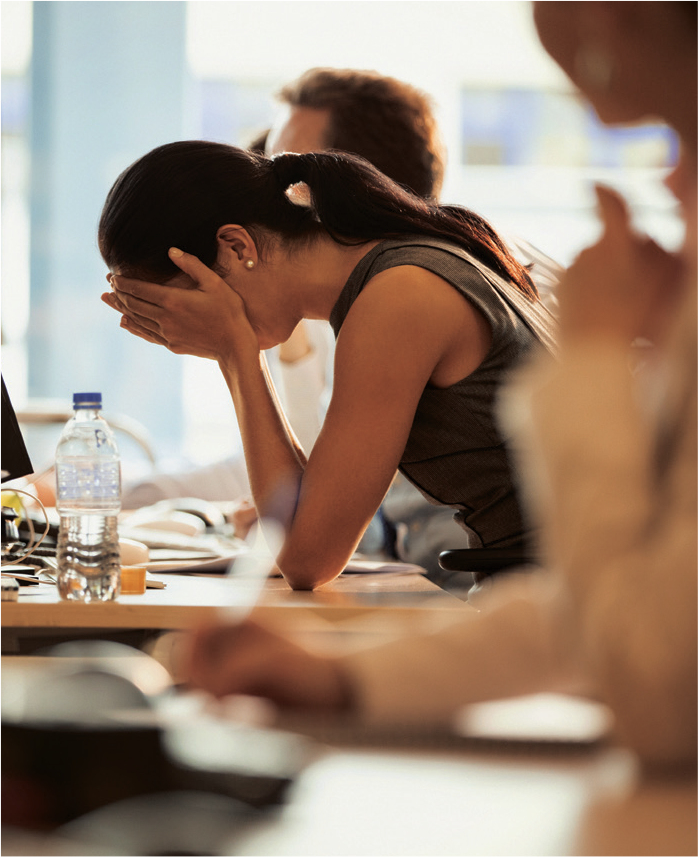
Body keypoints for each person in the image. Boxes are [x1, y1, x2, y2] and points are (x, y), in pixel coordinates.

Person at [179, 0, 696, 767]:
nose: (675, 180)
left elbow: (653, 675)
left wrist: (594, 355)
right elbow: (587, 605)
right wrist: (338, 679)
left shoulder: (404, 288)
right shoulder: (396, 281)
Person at [100, 133, 556, 591]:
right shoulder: (391, 275)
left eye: (188, 304)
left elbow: (306, 558)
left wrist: (234, 351)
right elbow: (304, 519)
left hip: (560, 603)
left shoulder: (398, 297)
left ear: (237, 248)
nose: (188, 327)